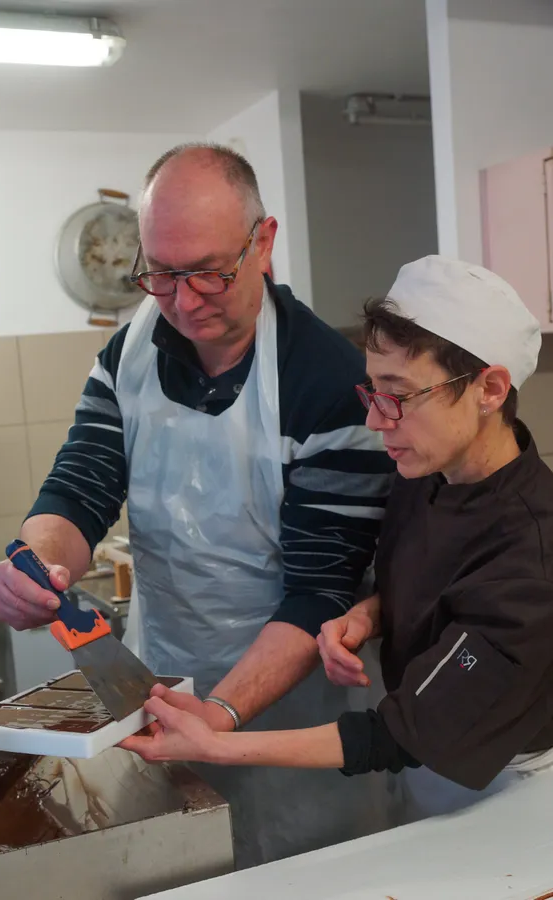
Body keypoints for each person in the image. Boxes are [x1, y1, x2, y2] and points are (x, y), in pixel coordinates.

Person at [0, 143, 395, 868]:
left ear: (262, 243)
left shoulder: (330, 384)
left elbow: (318, 592)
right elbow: (79, 491)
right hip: (165, 691)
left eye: (209, 271)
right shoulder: (126, 357)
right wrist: (36, 563)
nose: (184, 300)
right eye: (161, 275)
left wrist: (222, 715)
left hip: (295, 720)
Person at [120, 254, 553, 824]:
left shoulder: (534, 554)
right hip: (433, 774)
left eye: (398, 395)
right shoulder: (429, 471)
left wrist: (215, 742)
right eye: (372, 391)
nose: (376, 421)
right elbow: (443, 575)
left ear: (490, 389)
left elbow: (401, 736)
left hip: (513, 794)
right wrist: (372, 615)